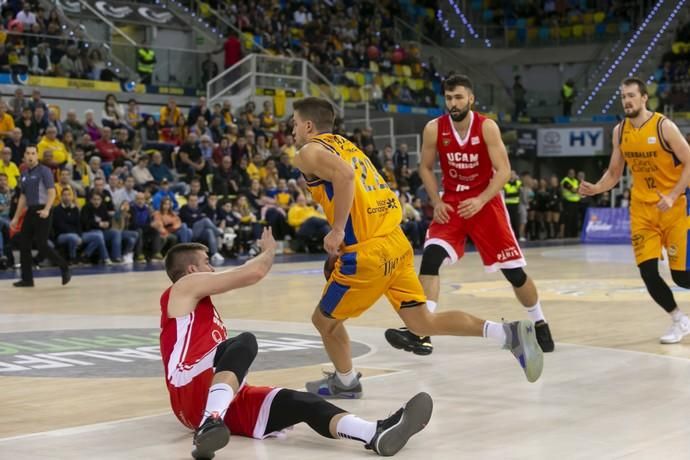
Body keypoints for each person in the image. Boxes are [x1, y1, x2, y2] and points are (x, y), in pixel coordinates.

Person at [291, 96, 544, 400]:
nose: (292, 131)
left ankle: (345, 382)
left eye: (294, 124)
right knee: (423, 322)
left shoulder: (308, 151)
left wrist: (336, 230)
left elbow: (344, 177)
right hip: (396, 243)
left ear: (308, 125)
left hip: (368, 253)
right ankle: (508, 334)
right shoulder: (348, 145)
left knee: (324, 323)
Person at [160, 236, 433, 459]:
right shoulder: (184, 287)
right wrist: (268, 250)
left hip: (206, 402)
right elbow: (252, 273)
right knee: (244, 343)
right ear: (192, 270)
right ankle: (211, 420)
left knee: (303, 403)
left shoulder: (199, 303)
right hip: (189, 383)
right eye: (207, 263)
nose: (212, 269)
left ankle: (373, 433)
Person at [384, 75, 554, 357]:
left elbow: (503, 170)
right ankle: (422, 332)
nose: (453, 103)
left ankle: (539, 321)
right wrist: (436, 200)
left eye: (459, 97)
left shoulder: (487, 127)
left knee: (514, 273)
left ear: (471, 98)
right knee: (431, 258)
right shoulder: (433, 129)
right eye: (449, 98)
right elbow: (425, 168)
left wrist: (481, 199)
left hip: (486, 203)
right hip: (451, 204)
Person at [580, 77, 690, 344]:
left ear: (644, 98)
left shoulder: (665, 127)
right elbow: (615, 172)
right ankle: (679, 320)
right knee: (648, 273)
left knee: (682, 276)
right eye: (623, 97)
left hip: (675, 210)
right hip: (642, 211)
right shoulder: (620, 131)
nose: (627, 101)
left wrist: (674, 193)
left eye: (631, 95)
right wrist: (597, 188)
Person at [10, 146, 70, 287]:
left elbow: (51, 192)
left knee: (42, 245)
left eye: (33, 153)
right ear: (24, 156)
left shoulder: (45, 171)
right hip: (31, 211)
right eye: (28, 153)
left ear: (37, 156)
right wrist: (16, 217)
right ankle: (27, 279)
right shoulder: (24, 174)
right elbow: (23, 197)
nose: (30, 156)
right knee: (24, 244)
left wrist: (47, 209)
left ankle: (64, 266)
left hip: (43, 210)